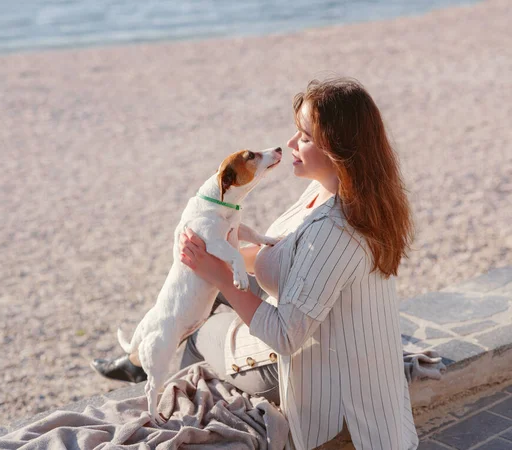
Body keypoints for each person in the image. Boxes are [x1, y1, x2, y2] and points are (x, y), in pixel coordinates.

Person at [92, 77, 419, 450]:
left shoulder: (334, 230)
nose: (291, 143)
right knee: (200, 291)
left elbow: (285, 337)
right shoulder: (333, 191)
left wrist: (220, 274)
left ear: (339, 149)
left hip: (304, 368)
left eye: (305, 136)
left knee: (200, 326)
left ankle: (153, 375)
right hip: (312, 330)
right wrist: (210, 257)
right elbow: (284, 255)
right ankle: (140, 357)